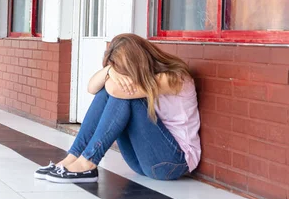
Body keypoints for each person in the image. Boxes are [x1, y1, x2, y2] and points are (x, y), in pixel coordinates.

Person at [35, 33, 201, 183]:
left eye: (125, 71)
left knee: (124, 96)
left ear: (139, 62)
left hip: (173, 162)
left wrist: (111, 75)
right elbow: (92, 88)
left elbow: (114, 90)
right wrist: (109, 71)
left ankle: (88, 162)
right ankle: (73, 157)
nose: (124, 76)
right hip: (142, 162)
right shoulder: (145, 79)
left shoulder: (175, 78)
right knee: (106, 92)